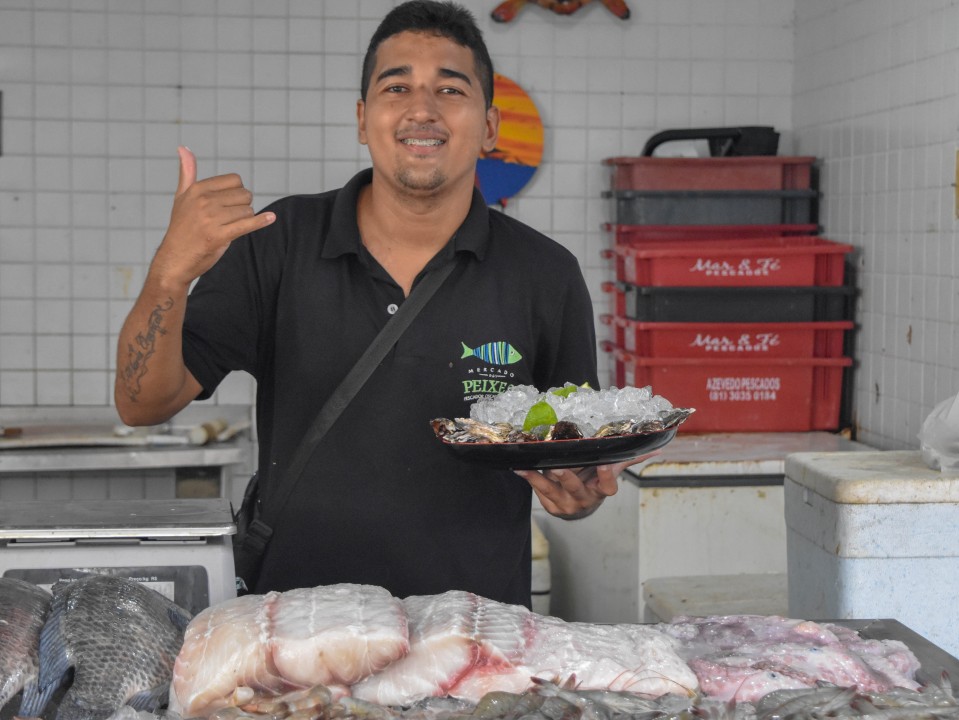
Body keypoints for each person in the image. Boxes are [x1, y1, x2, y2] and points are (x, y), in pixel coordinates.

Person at [114, 0, 650, 607]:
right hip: (296, 631)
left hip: (474, 640)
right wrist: (168, 274)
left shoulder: (545, 274)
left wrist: (578, 494)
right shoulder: (278, 241)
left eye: (450, 89)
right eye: (397, 87)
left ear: (491, 127)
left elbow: (570, 462)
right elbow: (143, 404)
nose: (422, 109)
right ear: (363, 119)